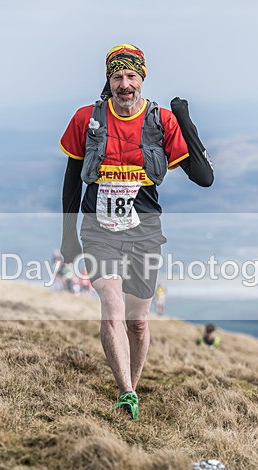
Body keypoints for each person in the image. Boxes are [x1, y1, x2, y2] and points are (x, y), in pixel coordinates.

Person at [59, 44, 214, 420]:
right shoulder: (87, 119)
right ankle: (126, 392)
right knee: (112, 308)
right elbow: (70, 179)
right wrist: (68, 237)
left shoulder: (160, 122)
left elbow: (204, 177)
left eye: (131, 76)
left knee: (138, 322)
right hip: (98, 229)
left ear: (142, 80)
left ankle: (133, 384)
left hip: (144, 231)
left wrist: (185, 120)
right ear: (109, 81)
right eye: (117, 76)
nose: (124, 84)